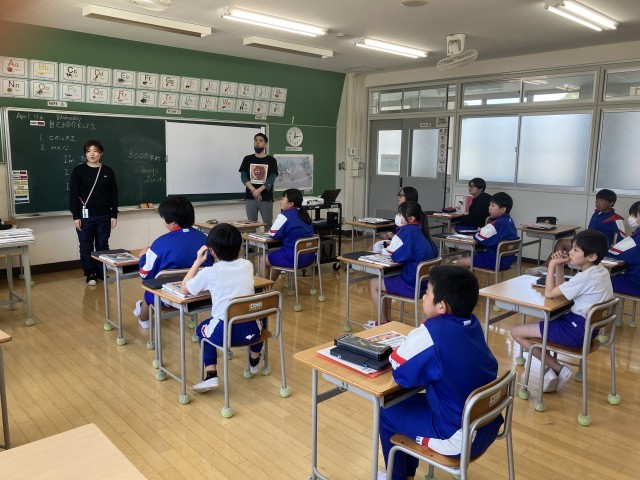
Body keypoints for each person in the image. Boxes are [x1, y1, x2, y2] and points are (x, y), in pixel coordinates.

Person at [378, 266, 501, 480]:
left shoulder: (434, 331)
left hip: (457, 437)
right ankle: (406, 475)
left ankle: (397, 477)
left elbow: (400, 371)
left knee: (386, 413)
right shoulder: (471, 323)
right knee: (401, 403)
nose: (423, 297)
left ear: (441, 306)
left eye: (427, 293)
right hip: (485, 422)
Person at [512, 229, 613, 392]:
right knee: (540, 324)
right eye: (572, 248)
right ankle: (551, 370)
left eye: (576, 250)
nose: (570, 252)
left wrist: (552, 264)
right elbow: (562, 293)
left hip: (575, 332)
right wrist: (560, 265)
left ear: (592, 256)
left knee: (516, 332)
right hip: (588, 330)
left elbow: (549, 293)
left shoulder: (584, 277)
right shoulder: (601, 271)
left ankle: (558, 368)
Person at [182, 223, 264, 392]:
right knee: (260, 311)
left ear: (211, 251)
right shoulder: (247, 265)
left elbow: (185, 288)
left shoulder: (210, 272)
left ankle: (211, 374)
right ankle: (254, 359)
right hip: (253, 332)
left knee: (201, 330)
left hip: (224, 334)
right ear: (240, 248)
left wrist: (198, 261)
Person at [134, 197, 212, 328]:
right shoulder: (205, 238)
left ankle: (144, 320)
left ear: (173, 221)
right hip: (202, 294)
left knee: (149, 291)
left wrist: (143, 256)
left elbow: (144, 274)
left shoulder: (160, 243)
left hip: (168, 298)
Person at [369, 201, 439, 327]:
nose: (397, 216)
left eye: (400, 214)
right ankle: (386, 321)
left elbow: (394, 255)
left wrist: (383, 247)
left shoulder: (406, 230)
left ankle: (382, 323)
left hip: (411, 285)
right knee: (387, 279)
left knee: (374, 283)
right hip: (425, 286)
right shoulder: (423, 230)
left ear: (411, 218)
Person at [527, 189, 626, 275]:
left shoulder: (616, 219)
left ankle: (549, 269)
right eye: (597, 199)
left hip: (598, 248)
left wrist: (612, 254)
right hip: (586, 243)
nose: (598, 202)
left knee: (564, 244)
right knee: (561, 242)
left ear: (611, 203)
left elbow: (622, 240)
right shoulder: (596, 214)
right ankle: (548, 268)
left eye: (602, 200)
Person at [69, 139, 118, 286]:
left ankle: (101, 272)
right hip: (85, 216)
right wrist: (76, 216)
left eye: (95, 151)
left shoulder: (108, 171)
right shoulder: (78, 171)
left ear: (101, 153)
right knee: (86, 245)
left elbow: (114, 194)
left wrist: (114, 214)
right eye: (89, 151)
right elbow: (73, 195)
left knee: (103, 245)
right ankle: (90, 273)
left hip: (104, 215)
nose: (92, 154)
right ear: (85, 153)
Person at [456, 192, 519, 270]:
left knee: (460, 261)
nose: (489, 208)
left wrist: (478, 232)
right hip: (507, 260)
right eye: (490, 205)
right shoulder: (509, 221)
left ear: (503, 209)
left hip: (494, 260)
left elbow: (480, 237)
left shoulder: (496, 223)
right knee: (476, 254)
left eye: (493, 205)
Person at [265, 188, 315, 280]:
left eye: (283, 198)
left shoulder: (285, 215)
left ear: (291, 203)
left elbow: (272, 233)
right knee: (277, 258)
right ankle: (268, 287)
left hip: (293, 258)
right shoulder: (304, 214)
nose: (281, 201)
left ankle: (263, 288)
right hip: (309, 258)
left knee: (262, 260)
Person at [239, 133, 279, 229]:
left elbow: (272, 178)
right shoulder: (247, 159)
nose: (257, 143)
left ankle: (268, 240)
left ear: (265, 144)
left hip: (266, 198)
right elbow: (243, 177)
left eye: (261, 141)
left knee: (268, 225)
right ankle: (251, 240)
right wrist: (254, 190)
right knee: (251, 226)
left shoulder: (271, 160)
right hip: (250, 198)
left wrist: (259, 191)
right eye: (256, 140)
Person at [607, 201, 640, 296]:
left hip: (635, 283)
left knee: (598, 281)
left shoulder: (637, 237)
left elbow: (615, 254)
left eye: (634, 215)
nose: (631, 218)